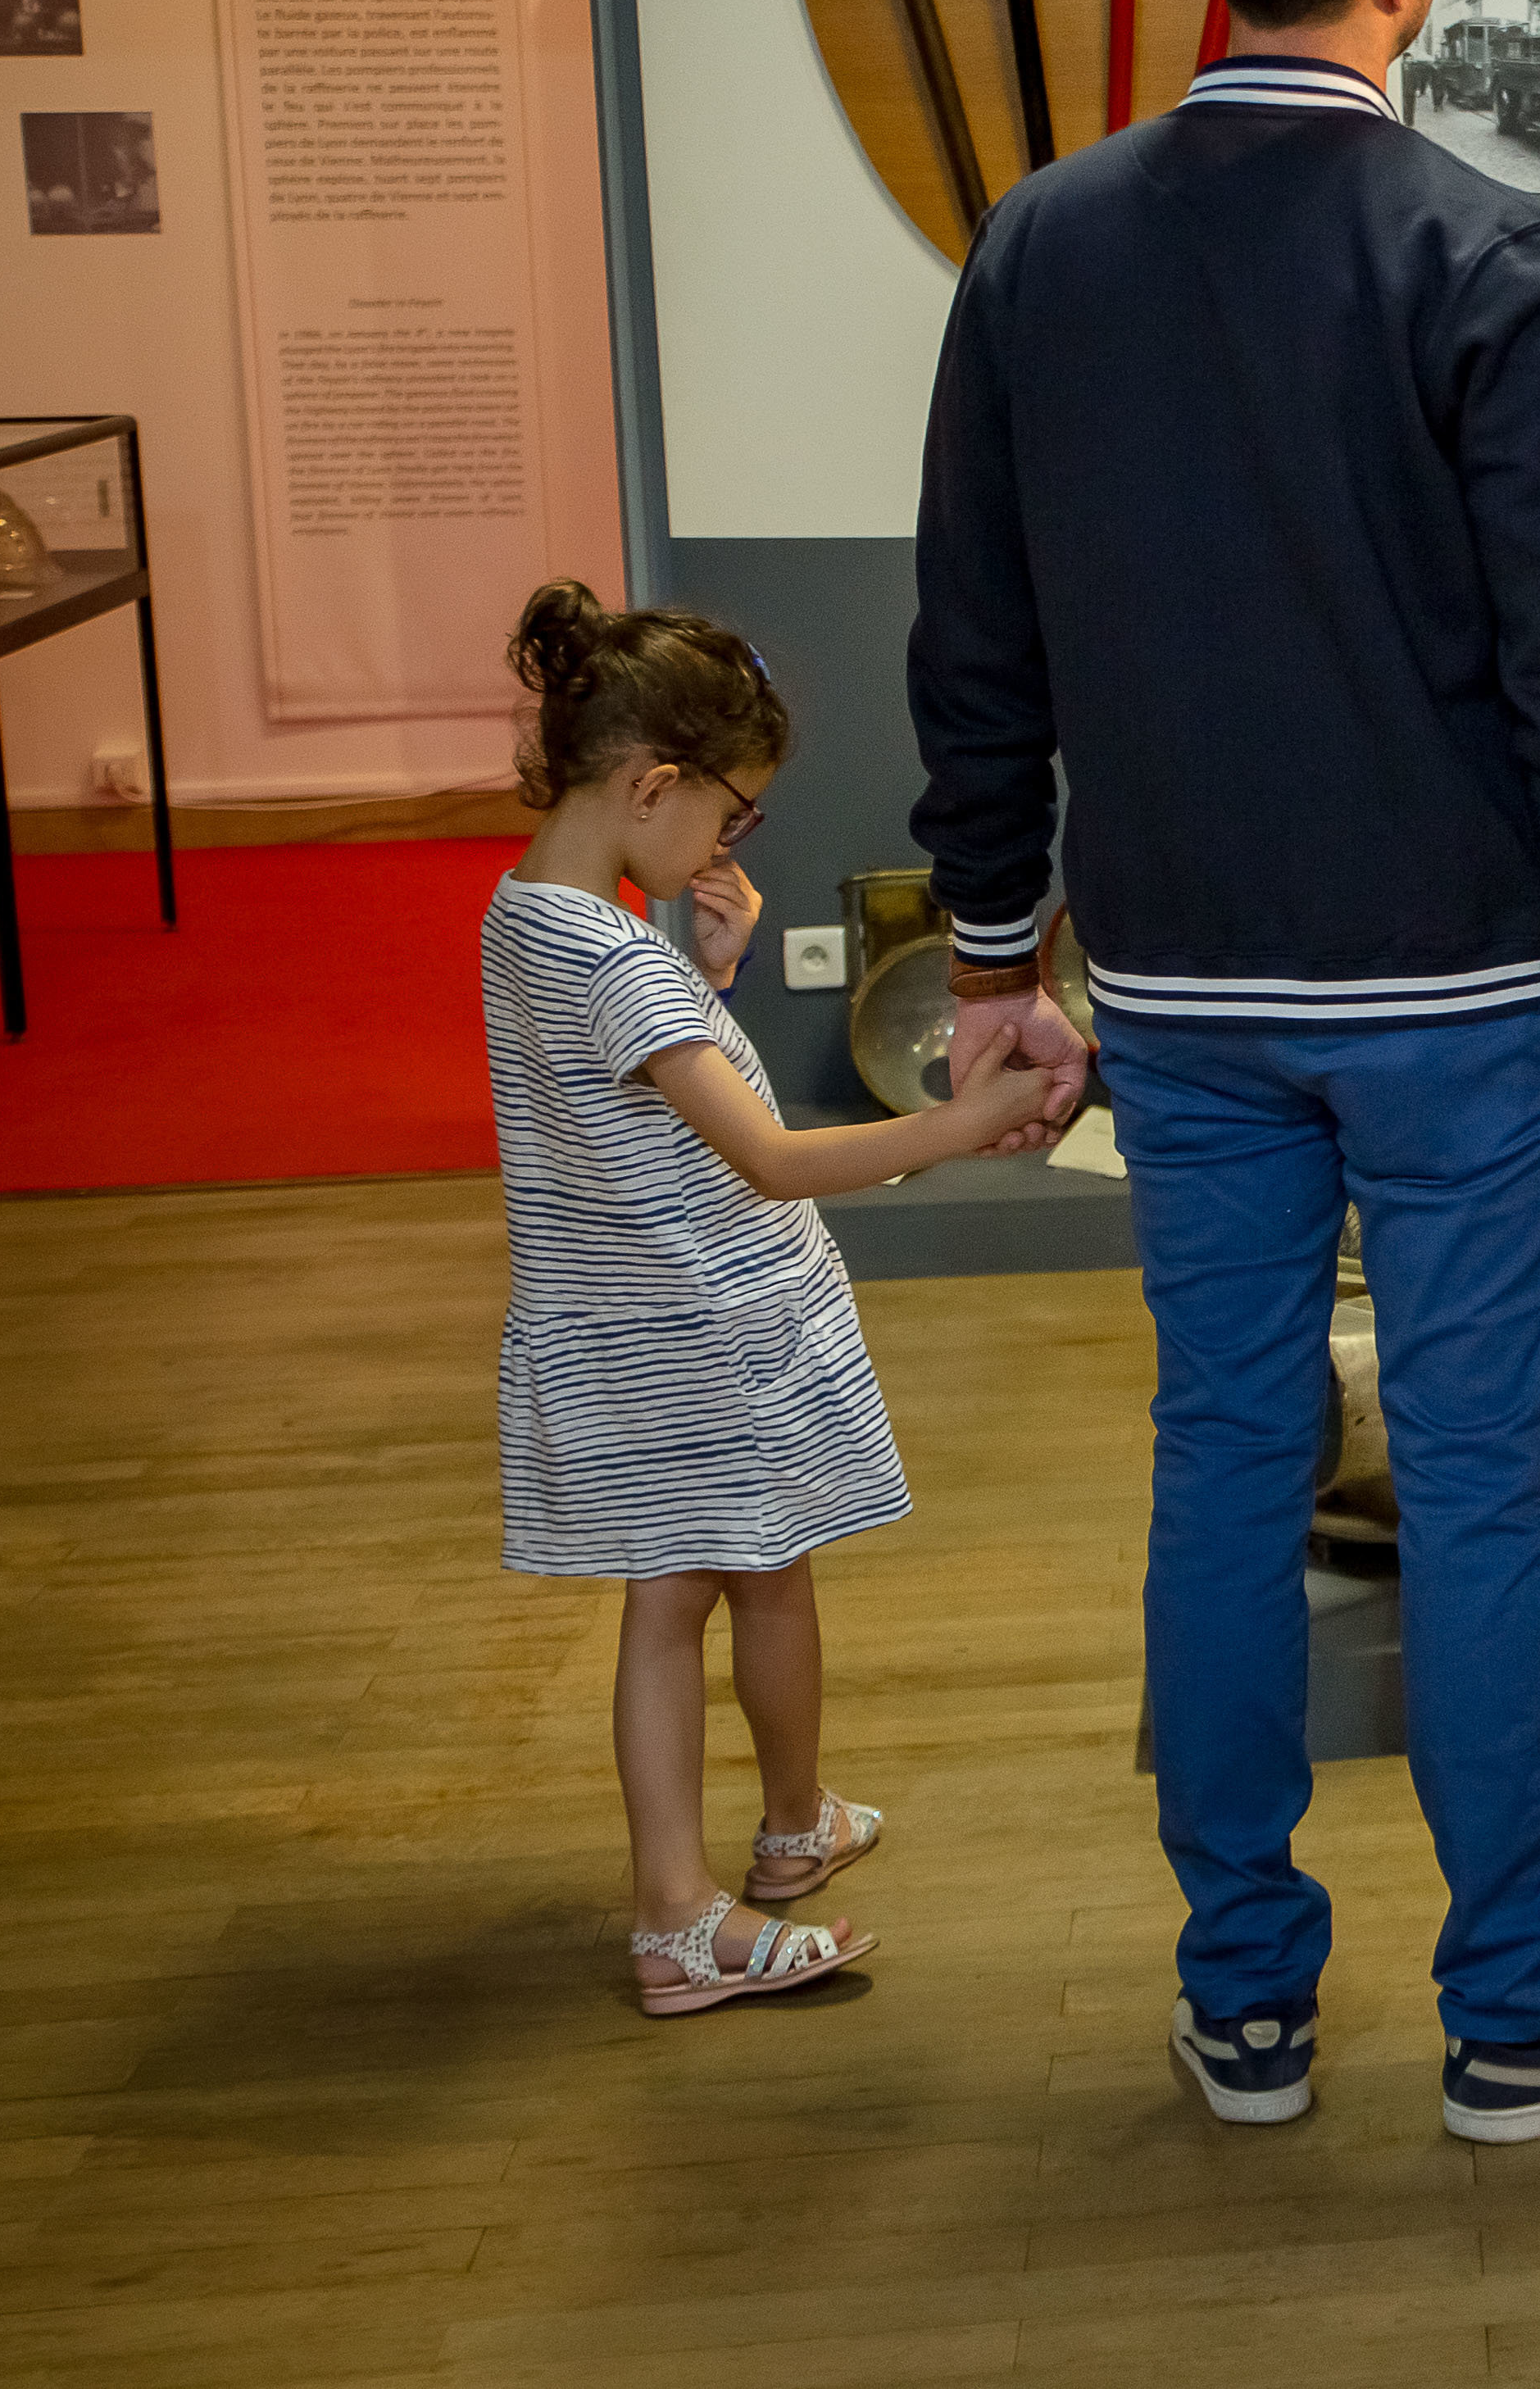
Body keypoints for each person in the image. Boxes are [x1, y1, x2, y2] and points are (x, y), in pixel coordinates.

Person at [909, 0, 1540, 2146]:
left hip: (1180, 991)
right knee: (1479, 1493)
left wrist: (997, 953)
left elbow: (977, 649)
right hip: (1465, 994)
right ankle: (1515, 2018)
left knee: (1225, 1463)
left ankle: (1247, 2004)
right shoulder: (1495, 263)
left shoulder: (1037, 248)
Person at [484, 580, 1044, 2017]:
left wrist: (710, 974)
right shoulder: (615, 959)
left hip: (620, 1321)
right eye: (732, 815)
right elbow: (773, 1154)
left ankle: (789, 1833)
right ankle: (685, 1913)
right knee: (738, 1585)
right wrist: (956, 1125)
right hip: (702, 1326)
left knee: (686, 1591)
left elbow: (644, 1100)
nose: (733, 843)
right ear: (651, 782)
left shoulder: (529, 916)